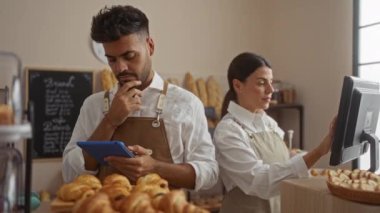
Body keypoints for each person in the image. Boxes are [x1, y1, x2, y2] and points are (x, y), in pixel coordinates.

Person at [62, 5, 218, 191]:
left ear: (150, 46)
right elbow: (70, 175)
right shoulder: (93, 105)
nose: (120, 68)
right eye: (111, 59)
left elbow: (209, 173)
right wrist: (110, 121)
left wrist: (155, 168)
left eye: (129, 56)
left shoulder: (186, 103)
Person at [213, 52, 335, 213]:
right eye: (262, 83)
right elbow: (262, 182)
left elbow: (284, 160)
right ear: (238, 85)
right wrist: (318, 152)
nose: (271, 90)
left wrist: (321, 167)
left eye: (271, 82)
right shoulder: (228, 131)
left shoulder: (268, 122)